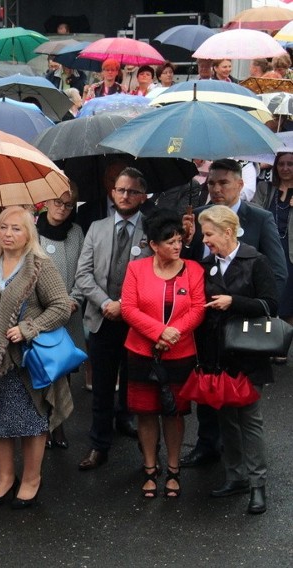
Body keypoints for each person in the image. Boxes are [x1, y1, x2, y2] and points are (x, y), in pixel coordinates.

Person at [180, 159, 288, 468]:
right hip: (205, 324)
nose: (215, 189)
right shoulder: (196, 217)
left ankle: (244, 463)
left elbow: (277, 274)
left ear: (241, 185)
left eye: (223, 183)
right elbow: (187, 268)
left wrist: (253, 310)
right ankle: (207, 445)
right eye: (211, 183)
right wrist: (187, 242)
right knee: (207, 387)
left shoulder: (259, 218)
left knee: (242, 399)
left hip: (243, 327)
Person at [0, 206, 73, 507]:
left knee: (33, 421)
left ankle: (31, 478)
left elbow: (61, 306)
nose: (8, 234)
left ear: (29, 233)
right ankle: (5, 477)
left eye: (16, 228)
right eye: (3, 227)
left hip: (27, 361)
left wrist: (29, 327)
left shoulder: (40, 266)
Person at [120, 209, 205, 499]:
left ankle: (173, 469)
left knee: (175, 413)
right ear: (154, 245)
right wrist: (158, 332)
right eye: (170, 242)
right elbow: (129, 309)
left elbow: (197, 309)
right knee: (146, 413)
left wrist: (173, 334)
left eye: (180, 240)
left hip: (179, 353)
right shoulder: (137, 269)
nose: (177, 246)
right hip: (141, 351)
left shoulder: (193, 269)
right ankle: (149, 468)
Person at [195, 206, 275, 514]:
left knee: (250, 421)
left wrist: (234, 302)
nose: (205, 240)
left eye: (209, 234)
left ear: (228, 232)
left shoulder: (256, 261)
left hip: (248, 355)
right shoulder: (206, 265)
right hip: (216, 356)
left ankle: (258, 486)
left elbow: (270, 305)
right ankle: (236, 476)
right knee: (226, 418)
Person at [75, 167, 153, 471]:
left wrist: (126, 305)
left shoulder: (151, 228)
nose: (125, 195)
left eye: (133, 191)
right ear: (112, 192)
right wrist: (106, 302)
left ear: (143, 196)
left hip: (136, 319)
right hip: (102, 316)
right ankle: (99, 443)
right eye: (120, 189)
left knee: (134, 380)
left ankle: (126, 419)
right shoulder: (97, 227)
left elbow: (155, 274)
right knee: (103, 385)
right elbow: (83, 274)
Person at [37, 187, 85, 448]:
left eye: (68, 205)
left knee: (63, 370)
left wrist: (74, 298)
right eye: (58, 202)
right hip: (40, 313)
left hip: (69, 311)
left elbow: (82, 268)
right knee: (41, 368)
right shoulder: (33, 231)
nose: (62, 209)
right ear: (47, 201)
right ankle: (42, 422)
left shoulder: (76, 232)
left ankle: (59, 423)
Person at [253, 152, 293, 335]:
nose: (285, 168)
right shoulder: (265, 188)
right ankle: (265, 339)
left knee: (289, 298)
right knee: (267, 292)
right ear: (275, 167)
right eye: (281, 164)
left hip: (290, 250)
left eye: (290, 164)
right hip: (267, 248)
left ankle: (284, 342)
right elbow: (254, 210)